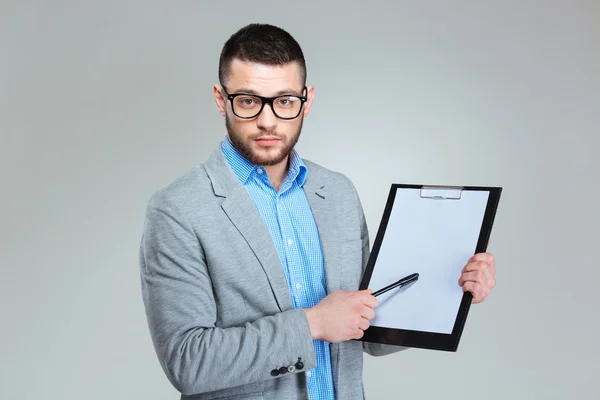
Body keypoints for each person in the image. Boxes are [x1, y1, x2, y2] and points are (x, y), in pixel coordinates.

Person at [138, 23, 497, 400]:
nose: (267, 120)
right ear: (220, 99)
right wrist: (313, 324)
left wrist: (453, 288)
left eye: (285, 100)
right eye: (247, 100)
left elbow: (371, 331)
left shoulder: (337, 192)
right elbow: (188, 362)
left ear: (306, 100)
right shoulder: (177, 209)